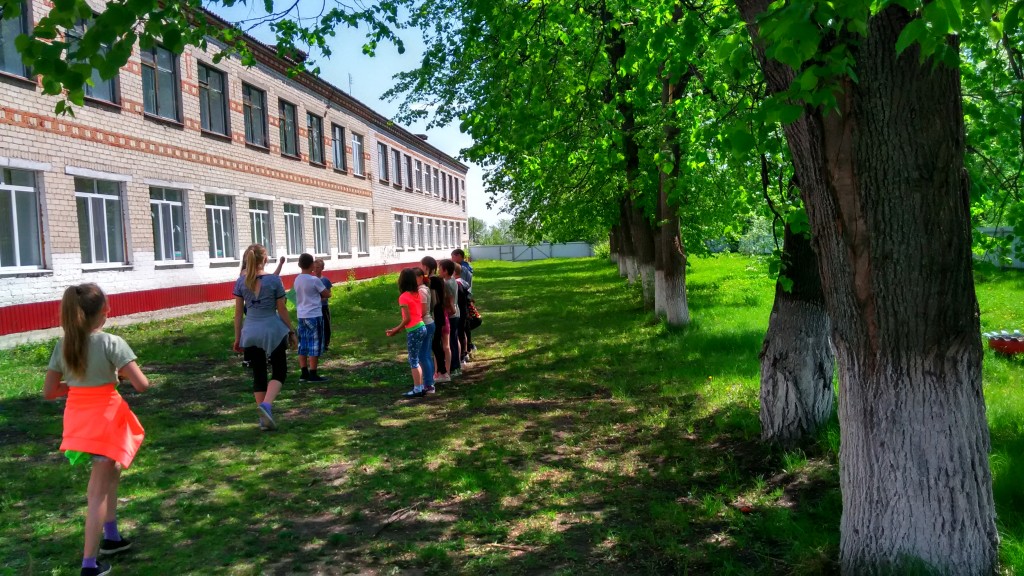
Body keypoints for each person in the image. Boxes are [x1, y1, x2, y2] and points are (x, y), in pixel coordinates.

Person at [43, 283, 151, 576]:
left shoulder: (63, 345)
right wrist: (114, 377)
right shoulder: (112, 343)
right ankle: (89, 565)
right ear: (104, 311)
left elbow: (50, 391)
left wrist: (78, 385)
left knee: (111, 471)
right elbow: (142, 384)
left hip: (79, 421)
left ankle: (112, 536)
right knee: (97, 494)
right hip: (106, 422)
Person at [233, 244, 295, 431]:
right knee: (280, 370)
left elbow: (238, 314)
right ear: (265, 259)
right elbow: (282, 310)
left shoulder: (241, 282)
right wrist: (292, 331)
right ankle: (266, 405)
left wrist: (238, 337)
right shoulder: (274, 281)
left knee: (258, 372)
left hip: (250, 331)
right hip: (272, 330)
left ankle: (264, 420)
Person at [385, 268, 428, 397]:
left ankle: (417, 389)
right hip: (421, 326)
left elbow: (407, 319)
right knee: (416, 358)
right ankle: (420, 387)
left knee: (413, 360)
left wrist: (395, 330)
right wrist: (399, 329)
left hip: (414, 330)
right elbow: (414, 315)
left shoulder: (403, 297)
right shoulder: (416, 293)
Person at [294, 253, 331, 383]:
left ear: (299, 265)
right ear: (312, 265)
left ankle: (304, 373)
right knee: (315, 344)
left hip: (301, 315)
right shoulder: (314, 280)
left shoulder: (297, 279)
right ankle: (313, 373)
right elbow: (327, 294)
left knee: (303, 343)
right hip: (314, 315)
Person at [421, 256, 451, 384]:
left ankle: (442, 372)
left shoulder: (431, 281)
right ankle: (440, 371)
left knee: (435, 344)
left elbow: (433, 301)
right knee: (436, 344)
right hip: (439, 314)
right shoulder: (438, 279)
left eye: (422, 266)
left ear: (426, 267)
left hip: (435, 315)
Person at [413, 268, 436, 393]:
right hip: (428, 323)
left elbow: (421, 311)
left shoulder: (421, 291)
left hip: (425, 323)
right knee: (426, 354)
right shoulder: (423, 289)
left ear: (421, 277)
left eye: (414, 278)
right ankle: (429, 381)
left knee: (423, 355)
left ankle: (429, 384)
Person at [451, 248, 477, 358]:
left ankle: (467, 348)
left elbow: (463, 285)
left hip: (463, 299)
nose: (452, 259)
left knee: (464, 326)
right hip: (465, 298)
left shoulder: (463, 269)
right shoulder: (465, 266)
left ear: (458, 256)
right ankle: (468, 347)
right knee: (464, 326)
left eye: (453, 256)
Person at [439, 259, 462, 377]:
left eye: (440, 269)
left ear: (445, 271)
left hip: (451, 314)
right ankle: (457, 364)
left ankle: (454, 366)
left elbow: (449, 300)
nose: (438, 271)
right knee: (454, 338)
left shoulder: (447, 283)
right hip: (456, 312)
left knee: (451, 342)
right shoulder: (453, 280)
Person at [312, 258, 333, 351]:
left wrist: (323, 298)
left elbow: (329, 293)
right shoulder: (311, 280)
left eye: (318, 267)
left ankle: (326, 344)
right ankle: (318, 343)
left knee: (326, 325)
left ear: (322, 268)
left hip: (323, 306)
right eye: (314, 267)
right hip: (314, 308)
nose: (316, 269)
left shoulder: (325, 280)